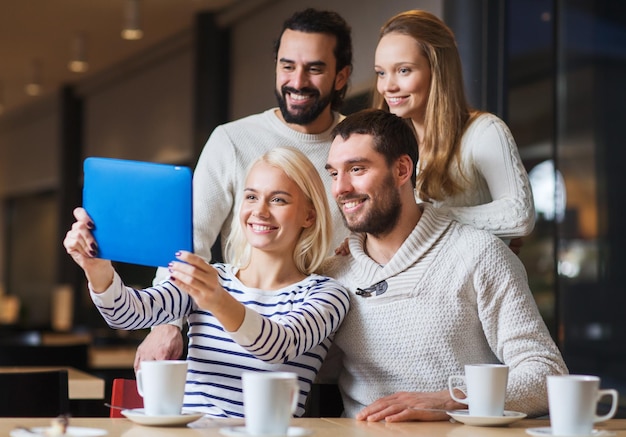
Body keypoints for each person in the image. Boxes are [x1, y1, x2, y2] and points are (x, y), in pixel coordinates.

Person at [135, 8, 353, 367]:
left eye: (314, 68)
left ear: (341, 76)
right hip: (243, 356)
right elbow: (189, 240)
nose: (297, 81)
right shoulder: (232, 140)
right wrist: (167, 322)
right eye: (286, 66)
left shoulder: (356, 147)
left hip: (341, 360)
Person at [64, 147, 350, 417]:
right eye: (251, 197)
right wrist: (97, 269)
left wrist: (217, 299)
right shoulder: (213, 278)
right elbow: (126, 314)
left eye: (278, 199)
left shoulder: (328, 295)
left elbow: (276, 346)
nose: (260, 211)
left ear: (309, 215)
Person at [322, 109, 568, 422]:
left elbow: (547, 376)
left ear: (401, 170)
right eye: (334, 173)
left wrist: (450, 399)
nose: (340, 188)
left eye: (356, 169)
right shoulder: (332, 275)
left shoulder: (479, 254)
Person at [373, 10, 535, 252]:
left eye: (404, 70)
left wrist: (424, 218)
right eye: (381, 72)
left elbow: (519, 215)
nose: (388, 86)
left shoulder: (484, 131)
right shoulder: (386, 144)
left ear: (437, 70)